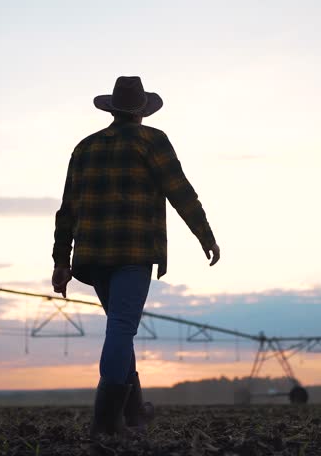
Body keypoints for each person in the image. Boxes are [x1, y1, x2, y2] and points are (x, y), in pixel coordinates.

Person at [51, 76, 220, 437]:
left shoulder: (85, 148)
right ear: (142, 112)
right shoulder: (152, 141)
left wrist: (60, 262)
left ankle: (133, 413)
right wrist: (206, 236)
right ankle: (105, 422)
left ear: (112, 109)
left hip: (92, 257)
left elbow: (67, 210)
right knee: (122, 329)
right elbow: (181, 192)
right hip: (134, 252)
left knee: (120, 330)